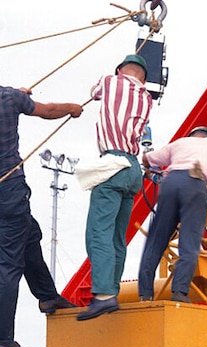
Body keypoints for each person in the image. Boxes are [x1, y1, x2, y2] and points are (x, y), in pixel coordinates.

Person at [0, 85, 83, 347]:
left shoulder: (12, 95)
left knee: (29, 234)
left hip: (9, 196)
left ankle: (47, 296)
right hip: (8, 188)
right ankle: (2, 340)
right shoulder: (10, 97)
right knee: (9, 263)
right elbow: (46, 111)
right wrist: (72, 108)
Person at [78, 54, 153, 321]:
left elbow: (94, 92)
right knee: (117, 237)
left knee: (98, 233)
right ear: (144, 77)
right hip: (133, 171)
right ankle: (112, 291)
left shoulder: (111, 81)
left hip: (112, 162)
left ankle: (103, 295)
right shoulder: (147, 99)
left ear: (120, 70)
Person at [138, 127, 207, 302]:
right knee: (189, 241)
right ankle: (179, 292)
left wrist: (147, 166)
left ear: (191, 136)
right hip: (195, 183)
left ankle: (145, 293)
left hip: (170, 184)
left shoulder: (179, 143)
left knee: (156, 240)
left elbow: (146, 159)